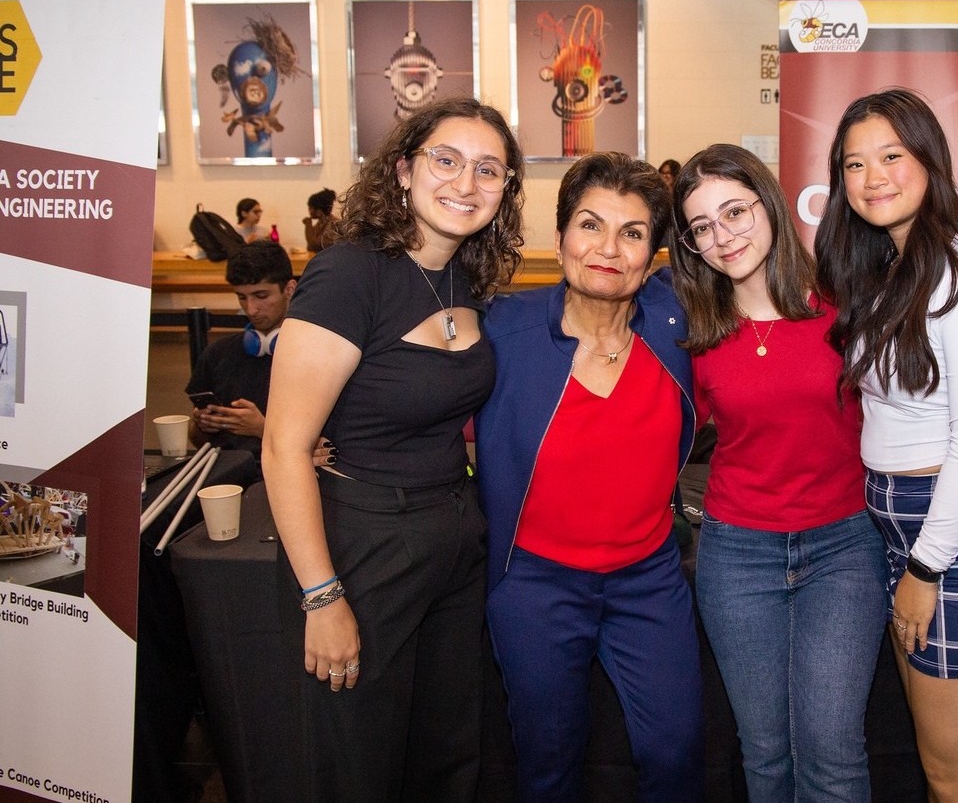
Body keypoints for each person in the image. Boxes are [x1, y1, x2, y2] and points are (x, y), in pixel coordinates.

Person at [261, 96, 524, 803]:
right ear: (404, 169)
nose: (465, 184)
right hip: (364, 546)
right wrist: (322, 598)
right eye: (447, 160)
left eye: (488, 170)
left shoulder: (463, 275)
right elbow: (284, 446)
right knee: (361, 764)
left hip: (452, 540)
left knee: (445, 758)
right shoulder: (350, 274)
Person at [814, 89, 958, 803]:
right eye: (853, 163)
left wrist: (926, 569)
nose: (873, 177)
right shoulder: (884, 273)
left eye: (892, 156)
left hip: (948, 538)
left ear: (930, 160)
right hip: (900, 525)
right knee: (938, 768)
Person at [475, 152, 703, 803]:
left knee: (676, 751)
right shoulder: (505, 329)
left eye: (632, 232)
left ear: (654, 252)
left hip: (649, 581)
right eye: (590, 225)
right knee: (547, 762)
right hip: (535, 587)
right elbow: (416, 390)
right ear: (560, 237)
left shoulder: (674, 324)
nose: (608, 248)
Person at [670, 143, 887, 803]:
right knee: (763, 753)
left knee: (832, 749)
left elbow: (910, 400)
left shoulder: (844, 305)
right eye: (702, 226)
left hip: (843, 550)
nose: (723, 235)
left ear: (767, 202)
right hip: (738, 554)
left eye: (734, 211)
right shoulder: (693, 328)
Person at [186, 240, 295, 473]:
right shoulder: (217, 354)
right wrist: (203, 424)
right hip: (223, 472)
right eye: (241, 297)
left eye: (261, 295)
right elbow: (196, 439)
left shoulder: (314, 357)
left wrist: (262, 429)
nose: (251, 309)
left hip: (283, 474)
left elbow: (330, 447)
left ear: (290, 289)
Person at [303, 187, 339, 252]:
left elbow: (312, 245)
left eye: (311, 208)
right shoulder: (321, 223)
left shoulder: (333, 225)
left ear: (318, 211)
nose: (309, 211)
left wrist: (308, 224)